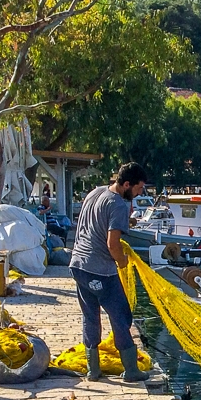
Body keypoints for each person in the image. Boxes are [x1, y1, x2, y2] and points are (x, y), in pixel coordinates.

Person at [69, 162, 150, 382]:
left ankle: (93, 370)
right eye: (139, 188)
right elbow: (112, 244)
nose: (139, 193)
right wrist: (122, 262)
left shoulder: (95, 193)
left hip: (78, 265)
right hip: (100, 271)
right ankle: (131, 370)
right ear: (127, 184)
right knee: (120, 316)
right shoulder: (118, 205)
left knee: (90, 316)